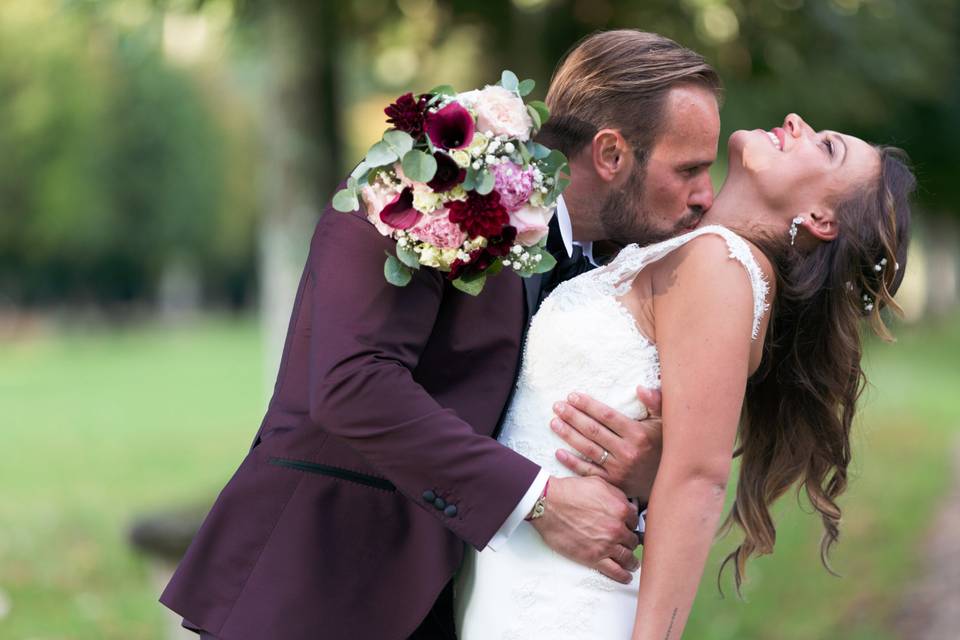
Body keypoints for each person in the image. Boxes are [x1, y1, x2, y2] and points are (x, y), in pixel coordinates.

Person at [159, 30, 723, 640]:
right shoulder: (439, 173)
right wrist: (539, 500)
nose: (706, 195)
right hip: (321, 583)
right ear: (611, 155)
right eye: (689, 169)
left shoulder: (626, 266)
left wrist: (651, 459)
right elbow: (353, 384)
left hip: (465, 600)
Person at [455, 107, 914, 639]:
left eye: (827, 147)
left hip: (560, 599)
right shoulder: (688, 250)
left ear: (821, 220)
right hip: (509, 571)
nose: (795, 122)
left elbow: (699, 480)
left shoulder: (722, 265)